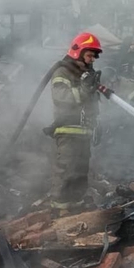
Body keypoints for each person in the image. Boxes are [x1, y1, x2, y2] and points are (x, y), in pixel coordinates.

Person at [46, 32, 108, 211]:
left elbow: (92, 102)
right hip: (67, 129)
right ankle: (60, 209)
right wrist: (84, 89)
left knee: (81, 171)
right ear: (77, 51)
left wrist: (96, 122)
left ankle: (77, 206)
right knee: (66, 170)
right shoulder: (63, 71)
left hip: (84, 131)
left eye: (94, 56)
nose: (92, 60)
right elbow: (61, 97)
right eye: (89, 55)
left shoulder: (87, 75)